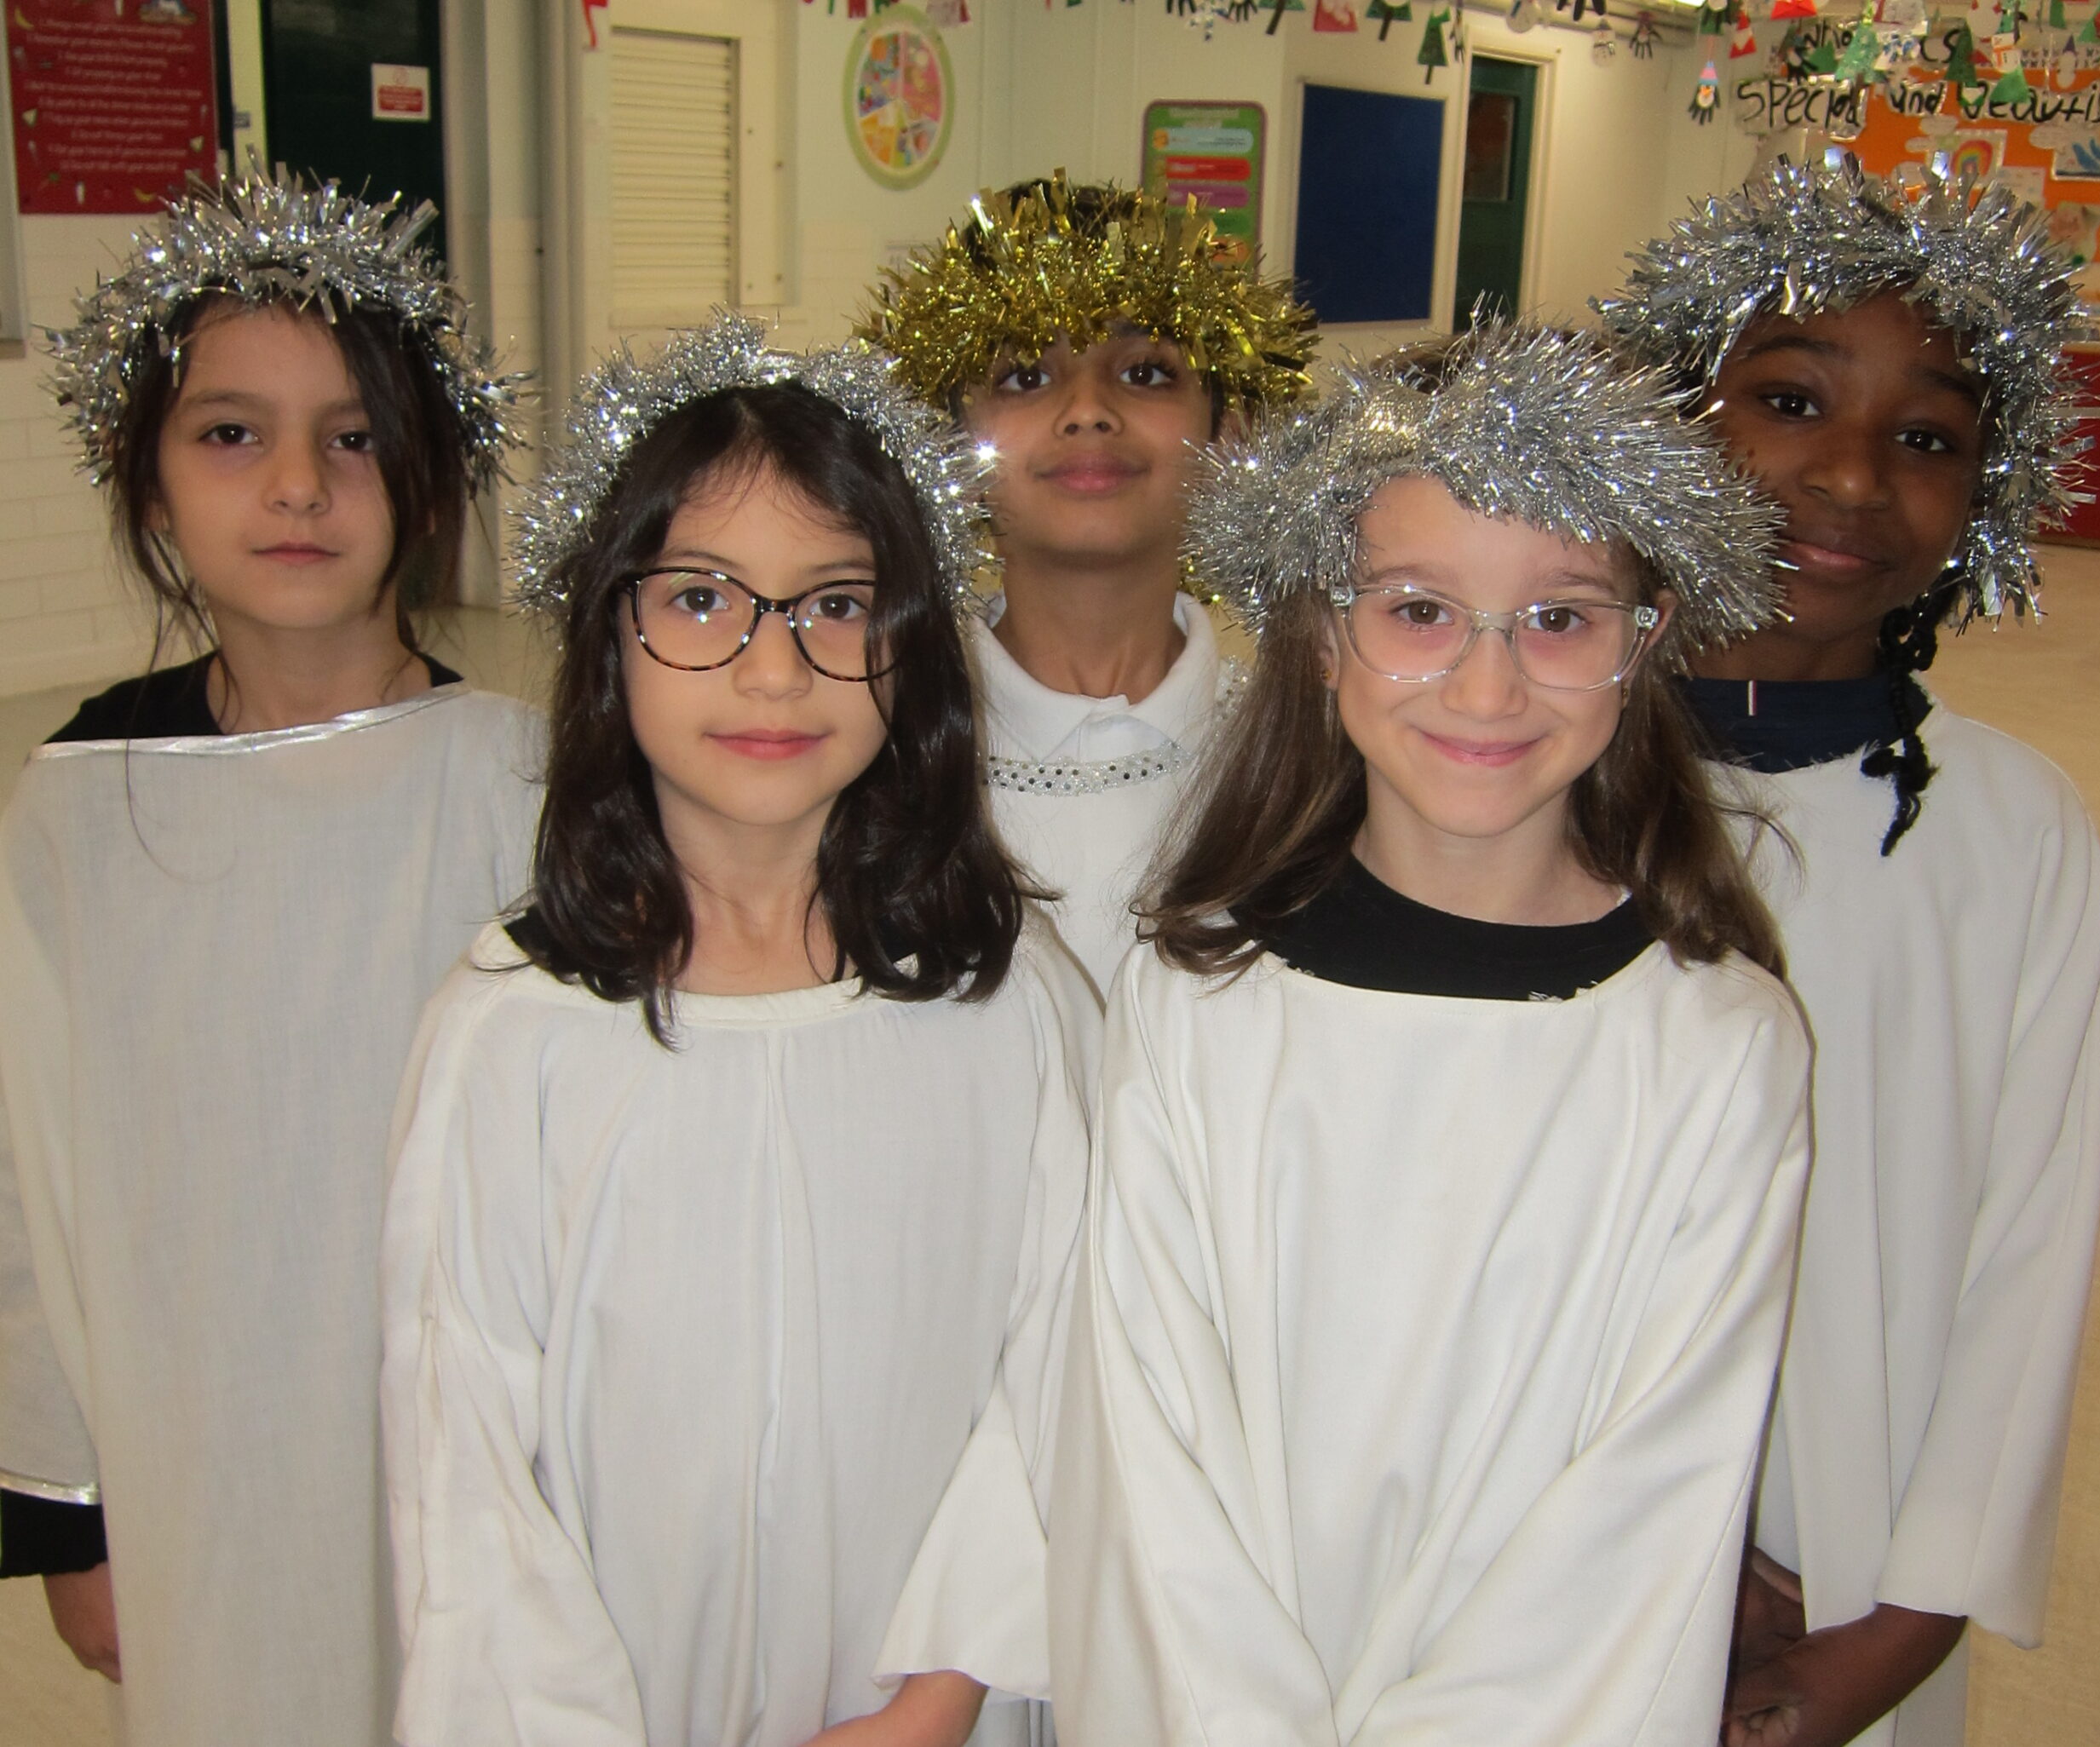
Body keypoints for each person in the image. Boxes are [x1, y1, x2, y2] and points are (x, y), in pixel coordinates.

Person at [1046, 323, 1811, 1745]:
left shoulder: (1717, 1046)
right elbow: (1146, 1455)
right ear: (1322, 630)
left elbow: (1649, 1514)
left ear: (1645, 643)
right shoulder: (1198, 996)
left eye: (1561, 618)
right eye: (1418, 610)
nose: (1486, 686)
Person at [379, 316, 1096, 1747]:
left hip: (935, 1706)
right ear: (609, 633)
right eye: (702, 599)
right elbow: (465, 1464)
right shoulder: (511, 1033)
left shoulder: (1011, 1004)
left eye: (835, 604)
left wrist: (940, 1694)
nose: (775, 671)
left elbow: (1066, 1369)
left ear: (909, 648)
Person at [0, 170, 534, 1746]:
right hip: (204, 1463)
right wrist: (66, 1511)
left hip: (477, 1451)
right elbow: (26, 1180)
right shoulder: (82, 801)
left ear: (424, 485)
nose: (298, 485)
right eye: (232, 433)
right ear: (151, 485)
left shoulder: (523, 782)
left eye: (354, 438)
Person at [1600, 154, 2100, 1747]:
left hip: (1859, 1556)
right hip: (1531, 1556)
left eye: (1929, 438)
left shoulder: (2015, 830)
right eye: (1788, 401)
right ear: (1667, 426)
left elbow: (2031, 1252)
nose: (1850, 475)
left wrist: (1901, 1619)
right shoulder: (1522, 777)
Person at [858, 175, 1317, 993]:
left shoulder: (1305, 761)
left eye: (1145, 372)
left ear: (1230, 431)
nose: (1088, 411)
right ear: (942, 444)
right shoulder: (876, 755)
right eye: (1024, 377)